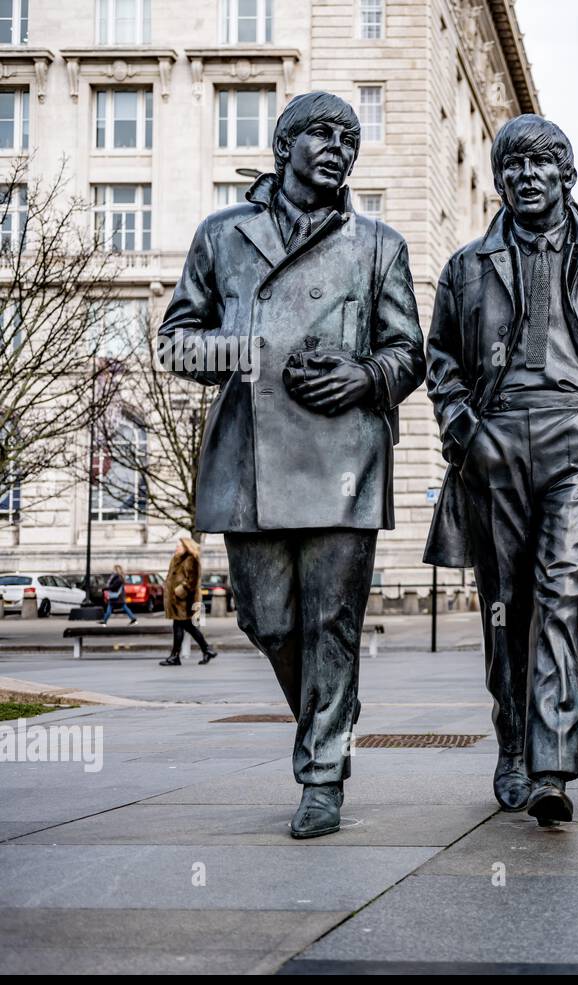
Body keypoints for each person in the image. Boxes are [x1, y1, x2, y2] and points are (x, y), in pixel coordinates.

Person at [160, 91, 425, 839]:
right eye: (321, 133)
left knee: (334, 622)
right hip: (251, 459)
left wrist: (365, 376)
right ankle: (328, 708)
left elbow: (411, 353)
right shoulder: (223, 235)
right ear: (283, 148)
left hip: (345, 457)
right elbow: (177, 338)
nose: (340, 146)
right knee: (265, 616)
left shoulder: (379, 245)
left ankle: (322, 771)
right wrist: (243, 349)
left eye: (350, 136)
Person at [424, 114, 578, 826]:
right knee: (507, 609)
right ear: (499, 181)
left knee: (563, 597)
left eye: (542, 164)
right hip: (495, 444)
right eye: (514, 166)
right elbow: (442, 364)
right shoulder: (466, 267)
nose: (527, 176)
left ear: (568, 176)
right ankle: (514, 745)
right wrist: (468, 429)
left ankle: (553, 764)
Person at [159, 537, 217, 666]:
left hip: (184, 601)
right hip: (177, 602)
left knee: (183, 627)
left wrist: (179, 592)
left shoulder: (191, 559)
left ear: (186, 547)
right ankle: (206, 650)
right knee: (185, 627)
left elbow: (192, 581)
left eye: (178, 546)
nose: (176, 548)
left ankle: (176, 656)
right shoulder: (176, 559)